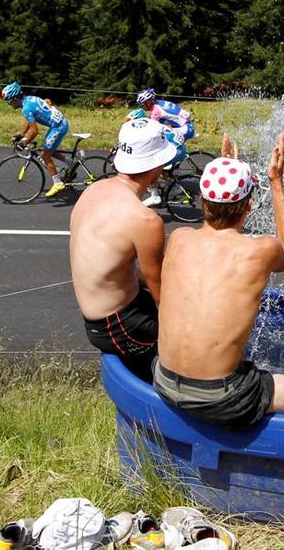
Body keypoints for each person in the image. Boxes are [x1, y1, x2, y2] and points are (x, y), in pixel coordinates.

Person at [153, 135, 284, 429]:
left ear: (202, 200)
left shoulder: (178, 238)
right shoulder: (258, 250)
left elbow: (216, 217)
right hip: (221, 397)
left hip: (162, 380)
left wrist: (226, 167)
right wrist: (276, 182)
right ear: (249, 205)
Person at [69, 117, 178, 380]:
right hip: (117, 325)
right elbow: (162, 295)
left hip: (103, 315)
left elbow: (111, 263)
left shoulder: (94, 190)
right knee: (192, 348)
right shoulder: (145, 219)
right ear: (157, 165)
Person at [0, 81, 71, 197]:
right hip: (59, 124)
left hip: (58, 127)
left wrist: (23, 143)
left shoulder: (26, 108)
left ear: (15, 98)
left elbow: (35, 131)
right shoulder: (29, 99)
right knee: (47, 149)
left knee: (45, 155)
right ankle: (69, 163)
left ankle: (58, 183)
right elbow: (31, 121)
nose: (8, 104)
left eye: (9, 101)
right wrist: (21, 134)